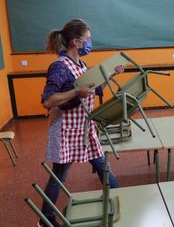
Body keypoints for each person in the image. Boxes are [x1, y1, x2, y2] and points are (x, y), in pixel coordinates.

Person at [39, 19, 122, 227]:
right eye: (88, 39)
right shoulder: (59, 66)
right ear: (76, 42)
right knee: (60, 176)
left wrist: (111, 74)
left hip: (85, 128)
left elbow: (92, 89)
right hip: (66, 129)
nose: (90, 43)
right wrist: (76, 91)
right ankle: (45, 220)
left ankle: (125, 200)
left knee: (103, 167)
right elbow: (48, 101)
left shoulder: (81, 65)